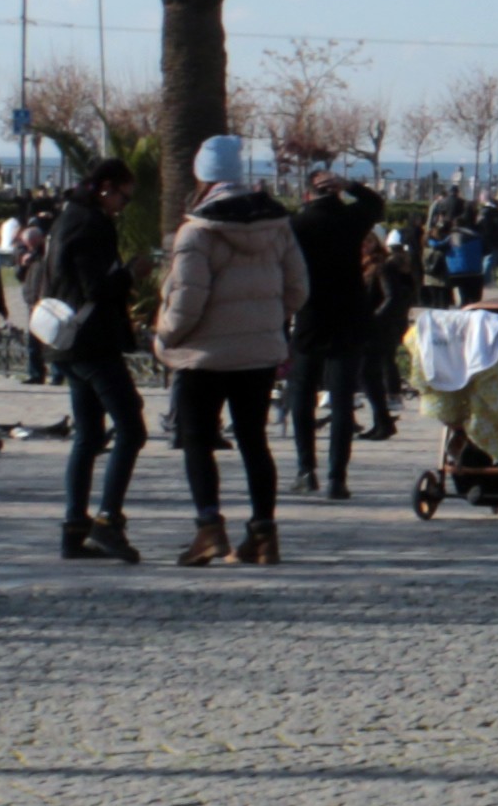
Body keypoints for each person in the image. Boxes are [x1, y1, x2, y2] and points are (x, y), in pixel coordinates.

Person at [154, 137, 306, 567]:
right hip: (258, 355)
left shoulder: (196, 231)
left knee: (198, 441)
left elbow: (186, 303)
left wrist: (165, 336)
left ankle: (209, 529)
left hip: (203, 356)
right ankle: (263, 533)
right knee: (255, 441)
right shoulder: (277, 225)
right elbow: (299, 288)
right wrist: (268, 323)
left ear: (201, 176)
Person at [43, 160, 150, 563]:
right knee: (131, 428)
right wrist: (131, 273)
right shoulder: (91, 224)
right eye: (124, 196)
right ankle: (107, 521)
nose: (124, 205)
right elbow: (97, 287)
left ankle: (74, 528)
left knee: (88, 435)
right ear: (106, 187)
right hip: (91, 343)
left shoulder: (66, 216)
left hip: (68, 341)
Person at [284, 161, 382, 502]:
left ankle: (305, 469)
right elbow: (376, 205)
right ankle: (337, 478)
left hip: (310, 313)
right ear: (334, 189)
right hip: (348, 314)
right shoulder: (352, 220)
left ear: (308, 192)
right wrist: (350, 186)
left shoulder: (296, 224)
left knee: (303, 393)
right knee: (342, 401)